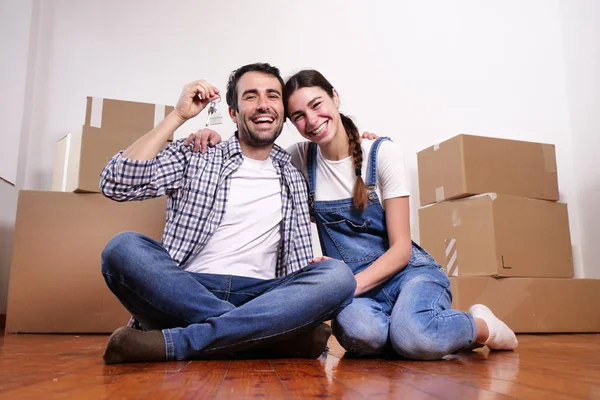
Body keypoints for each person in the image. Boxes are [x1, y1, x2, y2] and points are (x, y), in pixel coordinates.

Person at [98, 63, 356, 364]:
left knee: (338, 276)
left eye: (272, 96)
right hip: (186, 288)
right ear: (233, 113)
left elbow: (346, 184)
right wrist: (178, 116)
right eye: (250, 96)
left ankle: (179, 343)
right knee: (122, 249)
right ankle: (269, 339)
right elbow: (116, 183)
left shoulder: (298, 172)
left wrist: (357, 142)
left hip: (264, 298)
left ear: (283, 113)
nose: (263, 105)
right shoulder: (198, 153)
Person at [277, 69, 518, 360]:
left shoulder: (381, 153)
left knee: (414, 338)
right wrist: (208, 131)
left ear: (335, 97)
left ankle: (479, 326)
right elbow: (252, 151)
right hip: (361, 292)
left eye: (316, 104)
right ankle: (421, 330)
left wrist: (345, 287)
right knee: (361, 336)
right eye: (299, 116)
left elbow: (402, 249)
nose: (312, 121)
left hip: (409, 275)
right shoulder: (299, 159)